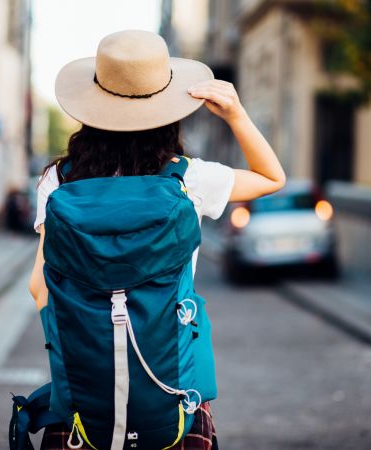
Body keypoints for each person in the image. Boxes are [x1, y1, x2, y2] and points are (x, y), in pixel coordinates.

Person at [29, 29, 285, 450]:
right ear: (168, 110)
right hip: (173, 398)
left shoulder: (58, 182)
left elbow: (40, 286)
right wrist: (236, 114)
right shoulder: (189, 179)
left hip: (83, 396)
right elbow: (272, 177)